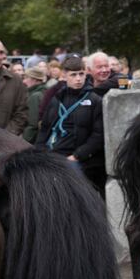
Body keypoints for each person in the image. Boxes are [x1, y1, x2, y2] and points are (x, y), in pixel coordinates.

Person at [36, 55, 106, 198]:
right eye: (73, 75)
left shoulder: (94, 100)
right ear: (64, 75)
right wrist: (40, 154)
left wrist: (76, 156)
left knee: (72, 196)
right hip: (54, 154)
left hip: (79, 159)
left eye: (81, 74)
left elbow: (98, 136)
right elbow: (45, 129)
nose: (78, 79)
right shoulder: (56, 99)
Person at [0, 37, 28, 135]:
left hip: (3, 145)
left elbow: (21, 114)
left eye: (1, 52)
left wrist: (5, 137)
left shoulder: (15, 81)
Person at [22, 67, 48, 143]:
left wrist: (23, 142)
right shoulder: (45, 91)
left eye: (26, 78)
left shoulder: (35, 96)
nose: (24, 81)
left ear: (35, 80)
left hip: (33, 139)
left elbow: (32, 124)